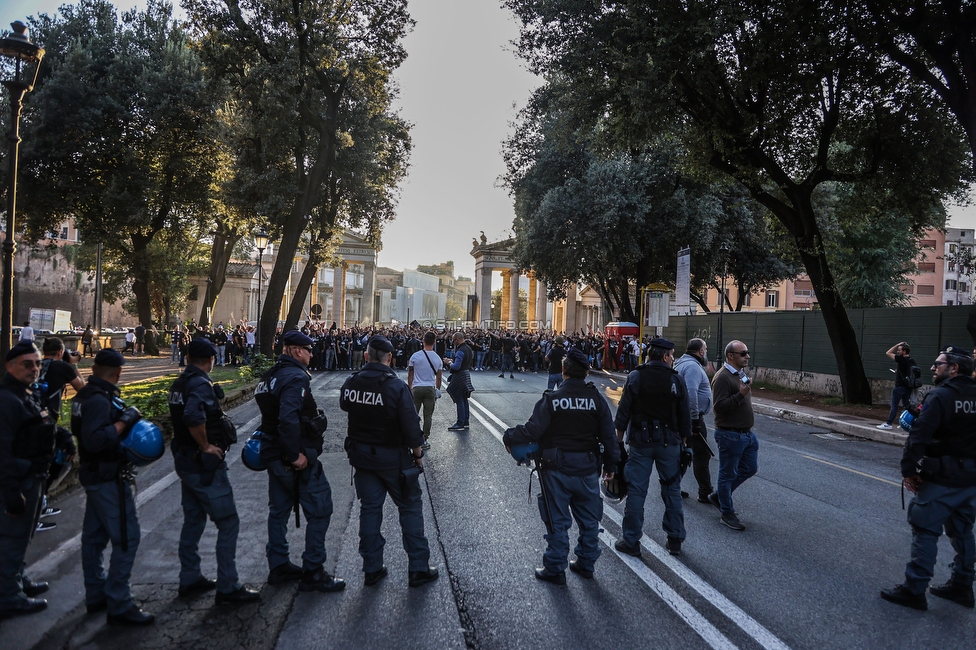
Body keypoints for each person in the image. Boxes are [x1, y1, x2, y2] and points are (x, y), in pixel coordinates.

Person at [503, 348, 618, 583]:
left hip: (556, 469)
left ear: (563, 370)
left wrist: (509, 436)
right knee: (589, 520)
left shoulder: (552, 399)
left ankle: (555, 568)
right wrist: (611, 465)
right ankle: (586, 563)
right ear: (586, 372)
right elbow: (609, 436)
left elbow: (532, 430)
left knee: (557, 520)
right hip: (587, 468)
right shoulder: (597, 399)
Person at [881, 345, 976, 611]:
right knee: (963, 533)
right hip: (969, 480)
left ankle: (914, 589)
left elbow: (919, 436)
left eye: (939, 363)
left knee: (925, 532)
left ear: (954, 368)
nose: (933, 368)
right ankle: (962, 586)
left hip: (940, 478)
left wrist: (909, 472)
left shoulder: (941, 396)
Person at [340, 336, 440, 588]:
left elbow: (345, 405)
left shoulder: (351, 382)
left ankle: (371, 567)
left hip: (362, 458)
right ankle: (418, 567)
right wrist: (417, 456)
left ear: (366, 356)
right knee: (409, 509)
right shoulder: (395, 387)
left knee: (370, 511)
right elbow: (410, 426)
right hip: (393, 459)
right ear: (390, 359)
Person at [168, 339, 259, 605]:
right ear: (210, 359)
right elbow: (193, 416)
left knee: (193, 520)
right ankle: (228, 586)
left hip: (185, 459)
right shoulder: (199, 384)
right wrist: (206, 445)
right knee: (228, 521)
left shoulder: (180, 383)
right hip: (202, 464)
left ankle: (190, 577)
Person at [254, 330, 344, 593]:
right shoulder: (294, 377)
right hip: (295, 457)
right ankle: (313, 571)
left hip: (272, 453)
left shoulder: (270, 376)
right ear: (295, 350)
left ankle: (279, 565)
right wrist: (295, 455)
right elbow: (288, 418)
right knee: (320, 509)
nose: (311, 353)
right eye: (307, 349)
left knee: (278, 511)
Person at [73, 348, 154, 626]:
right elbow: (96, 439)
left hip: (93, 474)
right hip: (106, 476)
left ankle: (96, 594)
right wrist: (125, 421)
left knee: (94, 538)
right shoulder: (97, 399)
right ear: (118, 373)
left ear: (94, 368)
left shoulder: (84, 395)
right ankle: (119, 601)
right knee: (128, 537)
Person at [613, 338, 690, 557]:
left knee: (636, 492)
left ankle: (631, 541)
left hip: (641, 443)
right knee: (672, 490)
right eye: (672, 355)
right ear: (665, 356)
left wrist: (618, 444)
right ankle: (675, 539)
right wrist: (685, 446)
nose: (673, 359)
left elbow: (622, 414)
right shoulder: (677, 380)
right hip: (670, 444)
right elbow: (685, 418)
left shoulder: (636, 376)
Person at [0, 342, 56, 619]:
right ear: (10, 366)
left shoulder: (25, 394)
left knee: (23, 536)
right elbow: (2, 451)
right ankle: (8, 596)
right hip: (19, 481)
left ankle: (18, 581)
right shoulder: (6, 400)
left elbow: (40, 425)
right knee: (12, 538)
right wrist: (12, 494)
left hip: (33, 477)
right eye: (27, 364)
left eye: (37, 364)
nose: (34, 369)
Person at [708, 340, 758, 531]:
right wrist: (740, 395)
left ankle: (719, 496)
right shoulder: (722, 378)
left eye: (747, 352)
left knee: (750, 468)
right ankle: (726, 512)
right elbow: (719, 408)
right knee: (727, 474)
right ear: (731, 356)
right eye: (743, 353)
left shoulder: (739, 374)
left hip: (746, 435)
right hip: (730, 435)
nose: (747, 356)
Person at [36, 338, 84, 531]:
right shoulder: (62, 367)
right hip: (48, 421)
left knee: (43, 462)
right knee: (60, 458)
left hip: (33, 417)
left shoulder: (37, 364)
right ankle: (34, 511)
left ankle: (41, 502)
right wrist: (72, 366)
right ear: (60, 351)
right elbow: (82, 388)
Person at [674, 338, 714, 504]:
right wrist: (695, 420)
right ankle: (705, 492)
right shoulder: (692, 367)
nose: (706, 352)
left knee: (684, 453)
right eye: (705, 349)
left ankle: (673, 487)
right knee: (701, 454)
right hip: (691, 419)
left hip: (682, 417)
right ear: (701, 352)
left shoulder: (681, 363)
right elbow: (691, 393)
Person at [408, 331, 443, 449]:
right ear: (434, 342)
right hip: (430, 388)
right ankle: (424, 439)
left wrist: (410, 387)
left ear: (423, 341)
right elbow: (439, 377)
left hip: (417, 387)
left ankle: (412, 438)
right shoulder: (438, 358)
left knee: (413, 415)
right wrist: (437, 390)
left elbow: (410, 374)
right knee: (428, 416)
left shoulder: (415, 356)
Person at [878, 342, 917, 430]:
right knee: (906, 405)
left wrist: (897, 344)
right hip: (908, 387)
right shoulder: (911, 360)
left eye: (899, 350)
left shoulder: (901, 359)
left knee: (894, 405)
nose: (898, 352)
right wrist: (898, 371)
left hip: (899, 386)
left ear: (904, 351)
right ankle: (907, 422)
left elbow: (888, 353)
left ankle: (888, 423)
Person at [444, 332, 474, 431]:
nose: (453, 343)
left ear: (457, 339)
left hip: (460, 375)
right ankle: (465, 421)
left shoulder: (460, 351)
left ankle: (460, 422)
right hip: (466, 373)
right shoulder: (468, 349)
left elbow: (456, 366)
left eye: (453, 340)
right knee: (464, 399)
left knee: (459, 399)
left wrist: (449, 362)